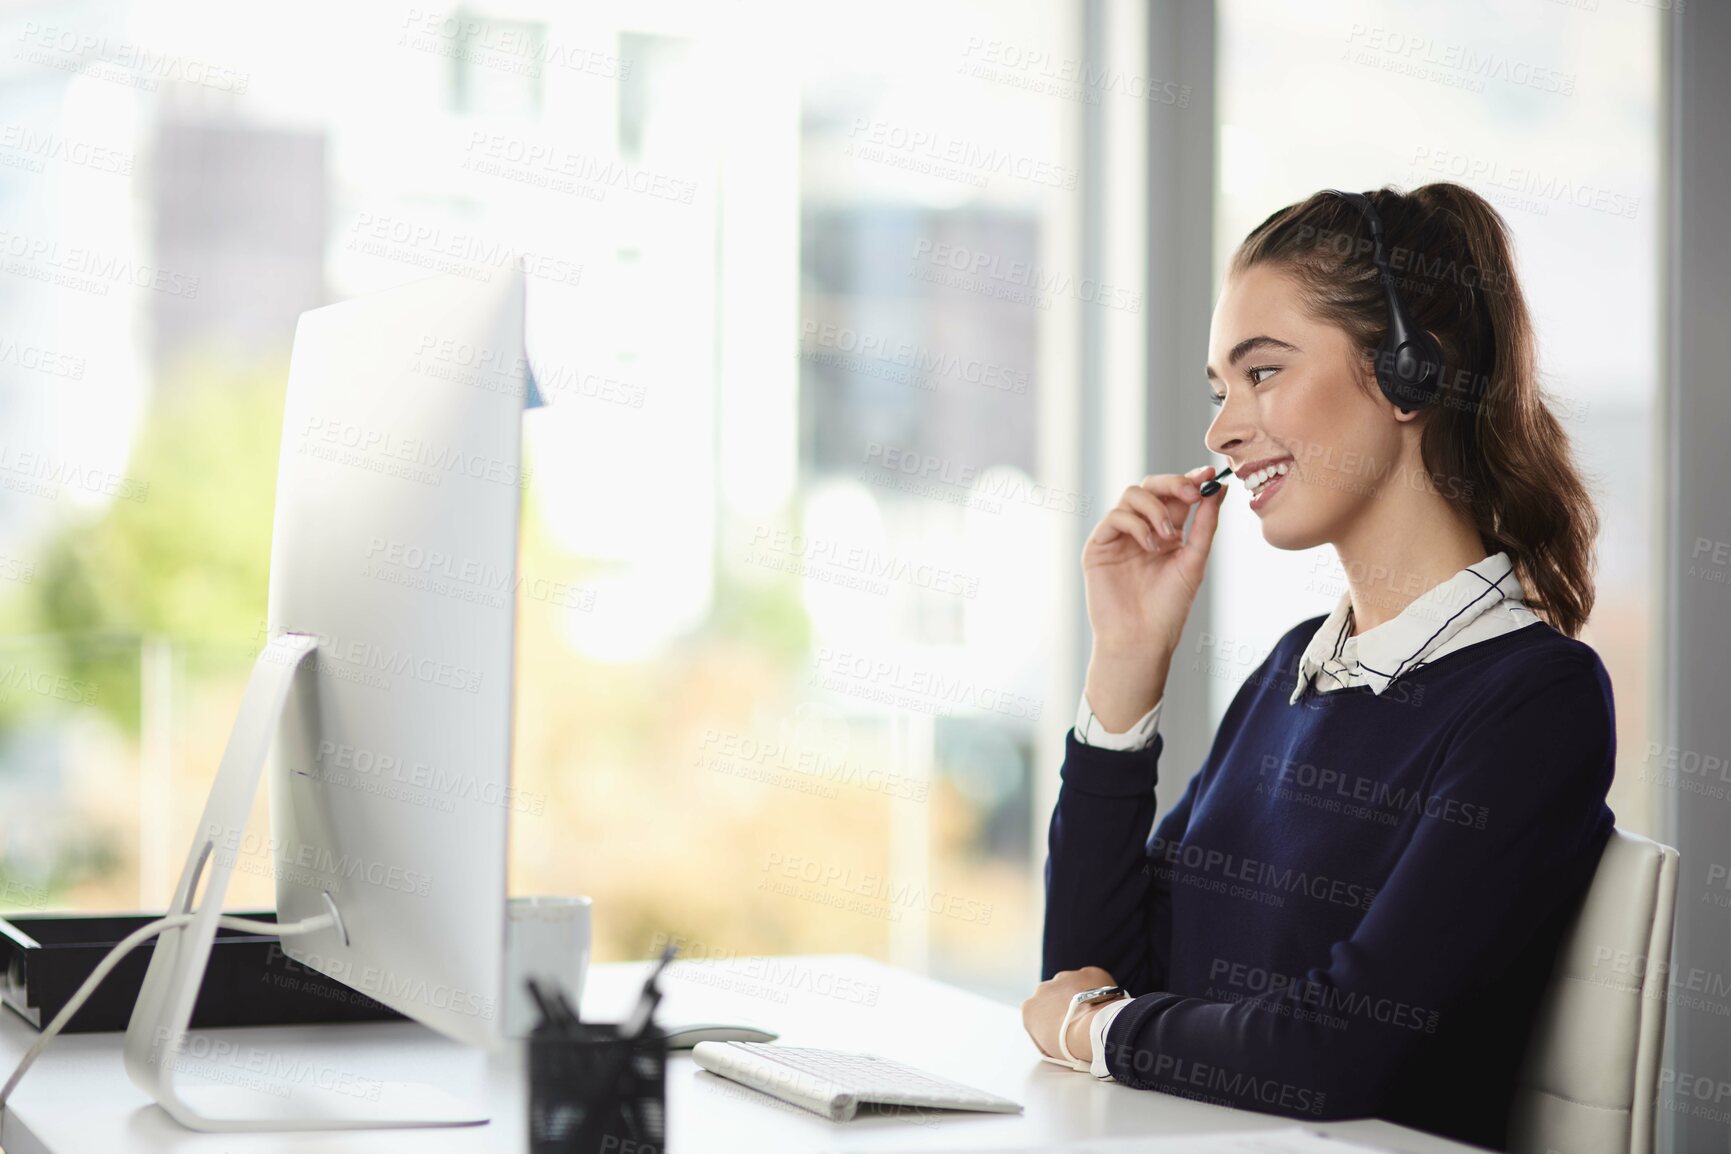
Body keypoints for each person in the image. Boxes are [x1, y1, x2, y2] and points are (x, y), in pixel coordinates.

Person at [1021, 183, 1615, 1153]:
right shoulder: (1294, 669)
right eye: (1221, 389)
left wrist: (1097, 1029)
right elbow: (1090, 972)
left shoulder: (1534, 700)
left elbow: (1331, 1055)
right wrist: (1127, 665)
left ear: (1409, 372)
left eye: (1262, 373)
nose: (1221, 431)